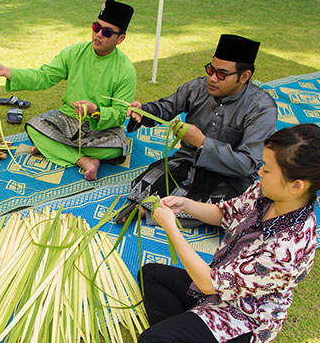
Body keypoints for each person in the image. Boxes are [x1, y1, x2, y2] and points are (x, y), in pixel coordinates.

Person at [136, 124, 320, 343]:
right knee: (152, 275)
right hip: (219, 292)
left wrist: (171, 228)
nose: (259, 173)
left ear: (296, 185)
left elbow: (207, 282)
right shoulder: (266, 194)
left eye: (266, 170)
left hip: (244, 317)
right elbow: (223, 213)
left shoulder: (287, 246)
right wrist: (186, 204)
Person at [117, 34, 277, 226]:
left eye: (222, 74)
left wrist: (202, 142)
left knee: (229, 208)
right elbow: (166, 107)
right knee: (144, 184)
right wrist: (144, 111)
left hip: (231, 175)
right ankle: (157, 208)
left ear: (244, 76)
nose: (212, 78)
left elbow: (247, 163)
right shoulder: (198, 87)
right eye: (211, 69)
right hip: (189, 161)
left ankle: (150, 211)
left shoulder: (262, 108)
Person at [0, 0, 136, 181]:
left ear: (120, 39)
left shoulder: (126, 70)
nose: (98, 34)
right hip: (68, 119)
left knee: (116, 147)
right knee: (35, 126)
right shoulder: (74, 53)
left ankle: (52, 146)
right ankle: (83, 160)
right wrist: (8, 72)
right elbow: (44, 77)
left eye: (106, 32)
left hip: (100, 128)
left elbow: (119, 114)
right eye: (96, 27)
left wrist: (95, 111)